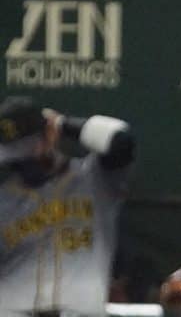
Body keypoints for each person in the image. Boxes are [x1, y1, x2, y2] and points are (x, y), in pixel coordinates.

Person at [0, 96, 135, 316]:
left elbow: (121, 140)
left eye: (29, 148)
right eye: (15, 153)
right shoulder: (4, 197)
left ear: (50, 134)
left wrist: (62, 123)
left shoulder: (95, 178)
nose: (23, 160)